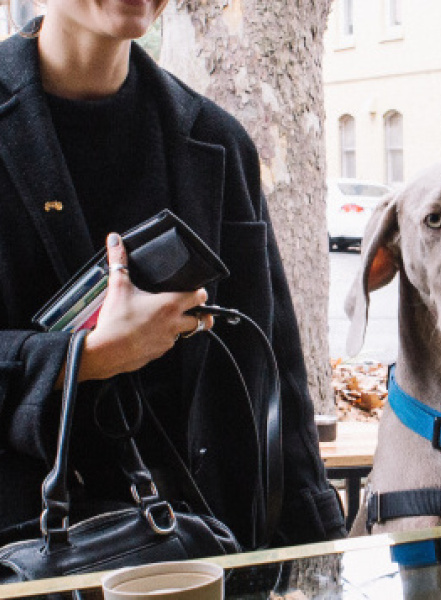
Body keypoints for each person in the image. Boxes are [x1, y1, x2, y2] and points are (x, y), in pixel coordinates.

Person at [0, 0, 345, 550]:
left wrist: (316, 552)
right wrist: (84, 359)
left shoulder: (216, 140)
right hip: (24, 559)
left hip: (201, 552)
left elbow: (272, 371)